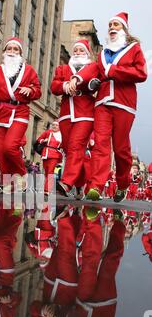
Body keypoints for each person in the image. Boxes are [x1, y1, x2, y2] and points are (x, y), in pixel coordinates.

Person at [85, 12, 147, 202]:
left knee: (120, 148)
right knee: (101, 144)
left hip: (124, 103)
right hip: (103, 102)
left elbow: (141, 73)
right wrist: (90, 83)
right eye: (110, 24)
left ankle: (122, 183)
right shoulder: (102, 53)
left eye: (116, 25)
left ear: (124, 30)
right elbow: (95, 72)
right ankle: (96, 185)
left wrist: (115, 71)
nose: (112, 27)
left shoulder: (134, 49)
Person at [0, 37, 42, 193]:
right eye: (9, 49)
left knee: (10, 147)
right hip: (0, 112)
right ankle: (7, 181)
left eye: (15, 49)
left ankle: (22, 175)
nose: (12, 52)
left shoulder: (29, 70)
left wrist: (31, 90)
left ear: (20, 53)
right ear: (4, 52)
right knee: (0, 152)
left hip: (20, 111)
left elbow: (38, 91)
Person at [51, 39, 99, 198]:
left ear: (88, 54)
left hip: (85, 113)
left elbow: (95, 83)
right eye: (76, 50)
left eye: (81, 50)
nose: (78, 53)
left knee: (76, 146)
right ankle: (79, 183)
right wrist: (66, 86)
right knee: (67, 148)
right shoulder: (63, 68)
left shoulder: (92, 67)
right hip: (66, 114)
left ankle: (66, 182)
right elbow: (54, 86)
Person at [35, 120, 62, 194]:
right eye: (53, 125)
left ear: (59, 127)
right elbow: (39, 139)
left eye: (56, 125)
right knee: (46, 171)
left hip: (55, 155)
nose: (54, 126)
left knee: (50, 171)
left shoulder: (61, 135)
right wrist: (43, 140)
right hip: (46, 154)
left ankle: (47, 190)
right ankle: (47, 188)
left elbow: (64, 145)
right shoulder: (48, 132)